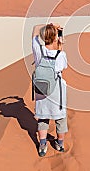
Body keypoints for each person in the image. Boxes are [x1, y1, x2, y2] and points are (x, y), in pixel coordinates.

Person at [32, 23, 68, 157]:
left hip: (41, 92)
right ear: (55, 38)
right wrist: (60, 43)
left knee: (43, 118)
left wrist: (49, 25)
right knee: (60, 119)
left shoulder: (38, 50)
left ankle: (42, 145)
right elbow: (63, 66)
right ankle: (60, 144)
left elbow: (35, 30)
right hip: (56, 93)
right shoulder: (60, 54)